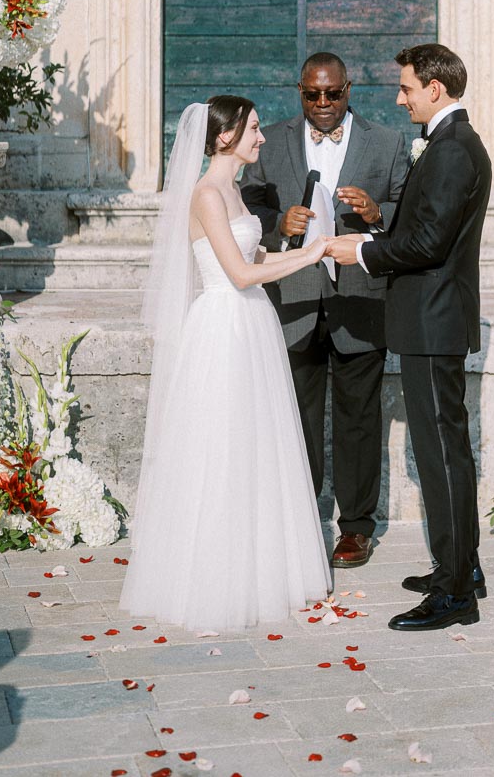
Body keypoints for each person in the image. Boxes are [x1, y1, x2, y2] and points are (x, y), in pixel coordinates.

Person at [120, 96, 333, 632]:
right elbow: (237, 274)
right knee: (219, 447)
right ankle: (214, 577)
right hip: (223, 324)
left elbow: (257, 258)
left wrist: (317, 247)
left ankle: (260, 566)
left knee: (255, 445)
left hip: (252, 323)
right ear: (224, 138)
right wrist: (308, 257)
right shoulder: (206, 194)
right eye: (254, 130)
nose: (262, 138)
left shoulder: (233, 192)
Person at [329, 43, 491, 632]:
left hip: (432, 321)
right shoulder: (449, 145)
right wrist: (378, 221)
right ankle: (461, 568)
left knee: (441, 455)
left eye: (406, 89)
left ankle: (453, 595)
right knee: (448, 451)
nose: (399, 99)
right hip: (433, 319)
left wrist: (362, 251)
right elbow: (423, 225)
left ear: (435, 90)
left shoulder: (450, 151)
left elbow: (428, 246)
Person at [240, 53, 408, 568]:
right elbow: (245, 206)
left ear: (349, 90)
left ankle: (356, 528)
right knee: (296, 420)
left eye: (332, 93)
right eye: (312, 95)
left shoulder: (388, 142)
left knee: (359, 421)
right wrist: (278, 224)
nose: (323, 104)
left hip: (360, 300)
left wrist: (379, 213)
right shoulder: (271, 140)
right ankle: (299, 521)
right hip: (293, 302)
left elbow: (411, 211)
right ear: (299, 92)